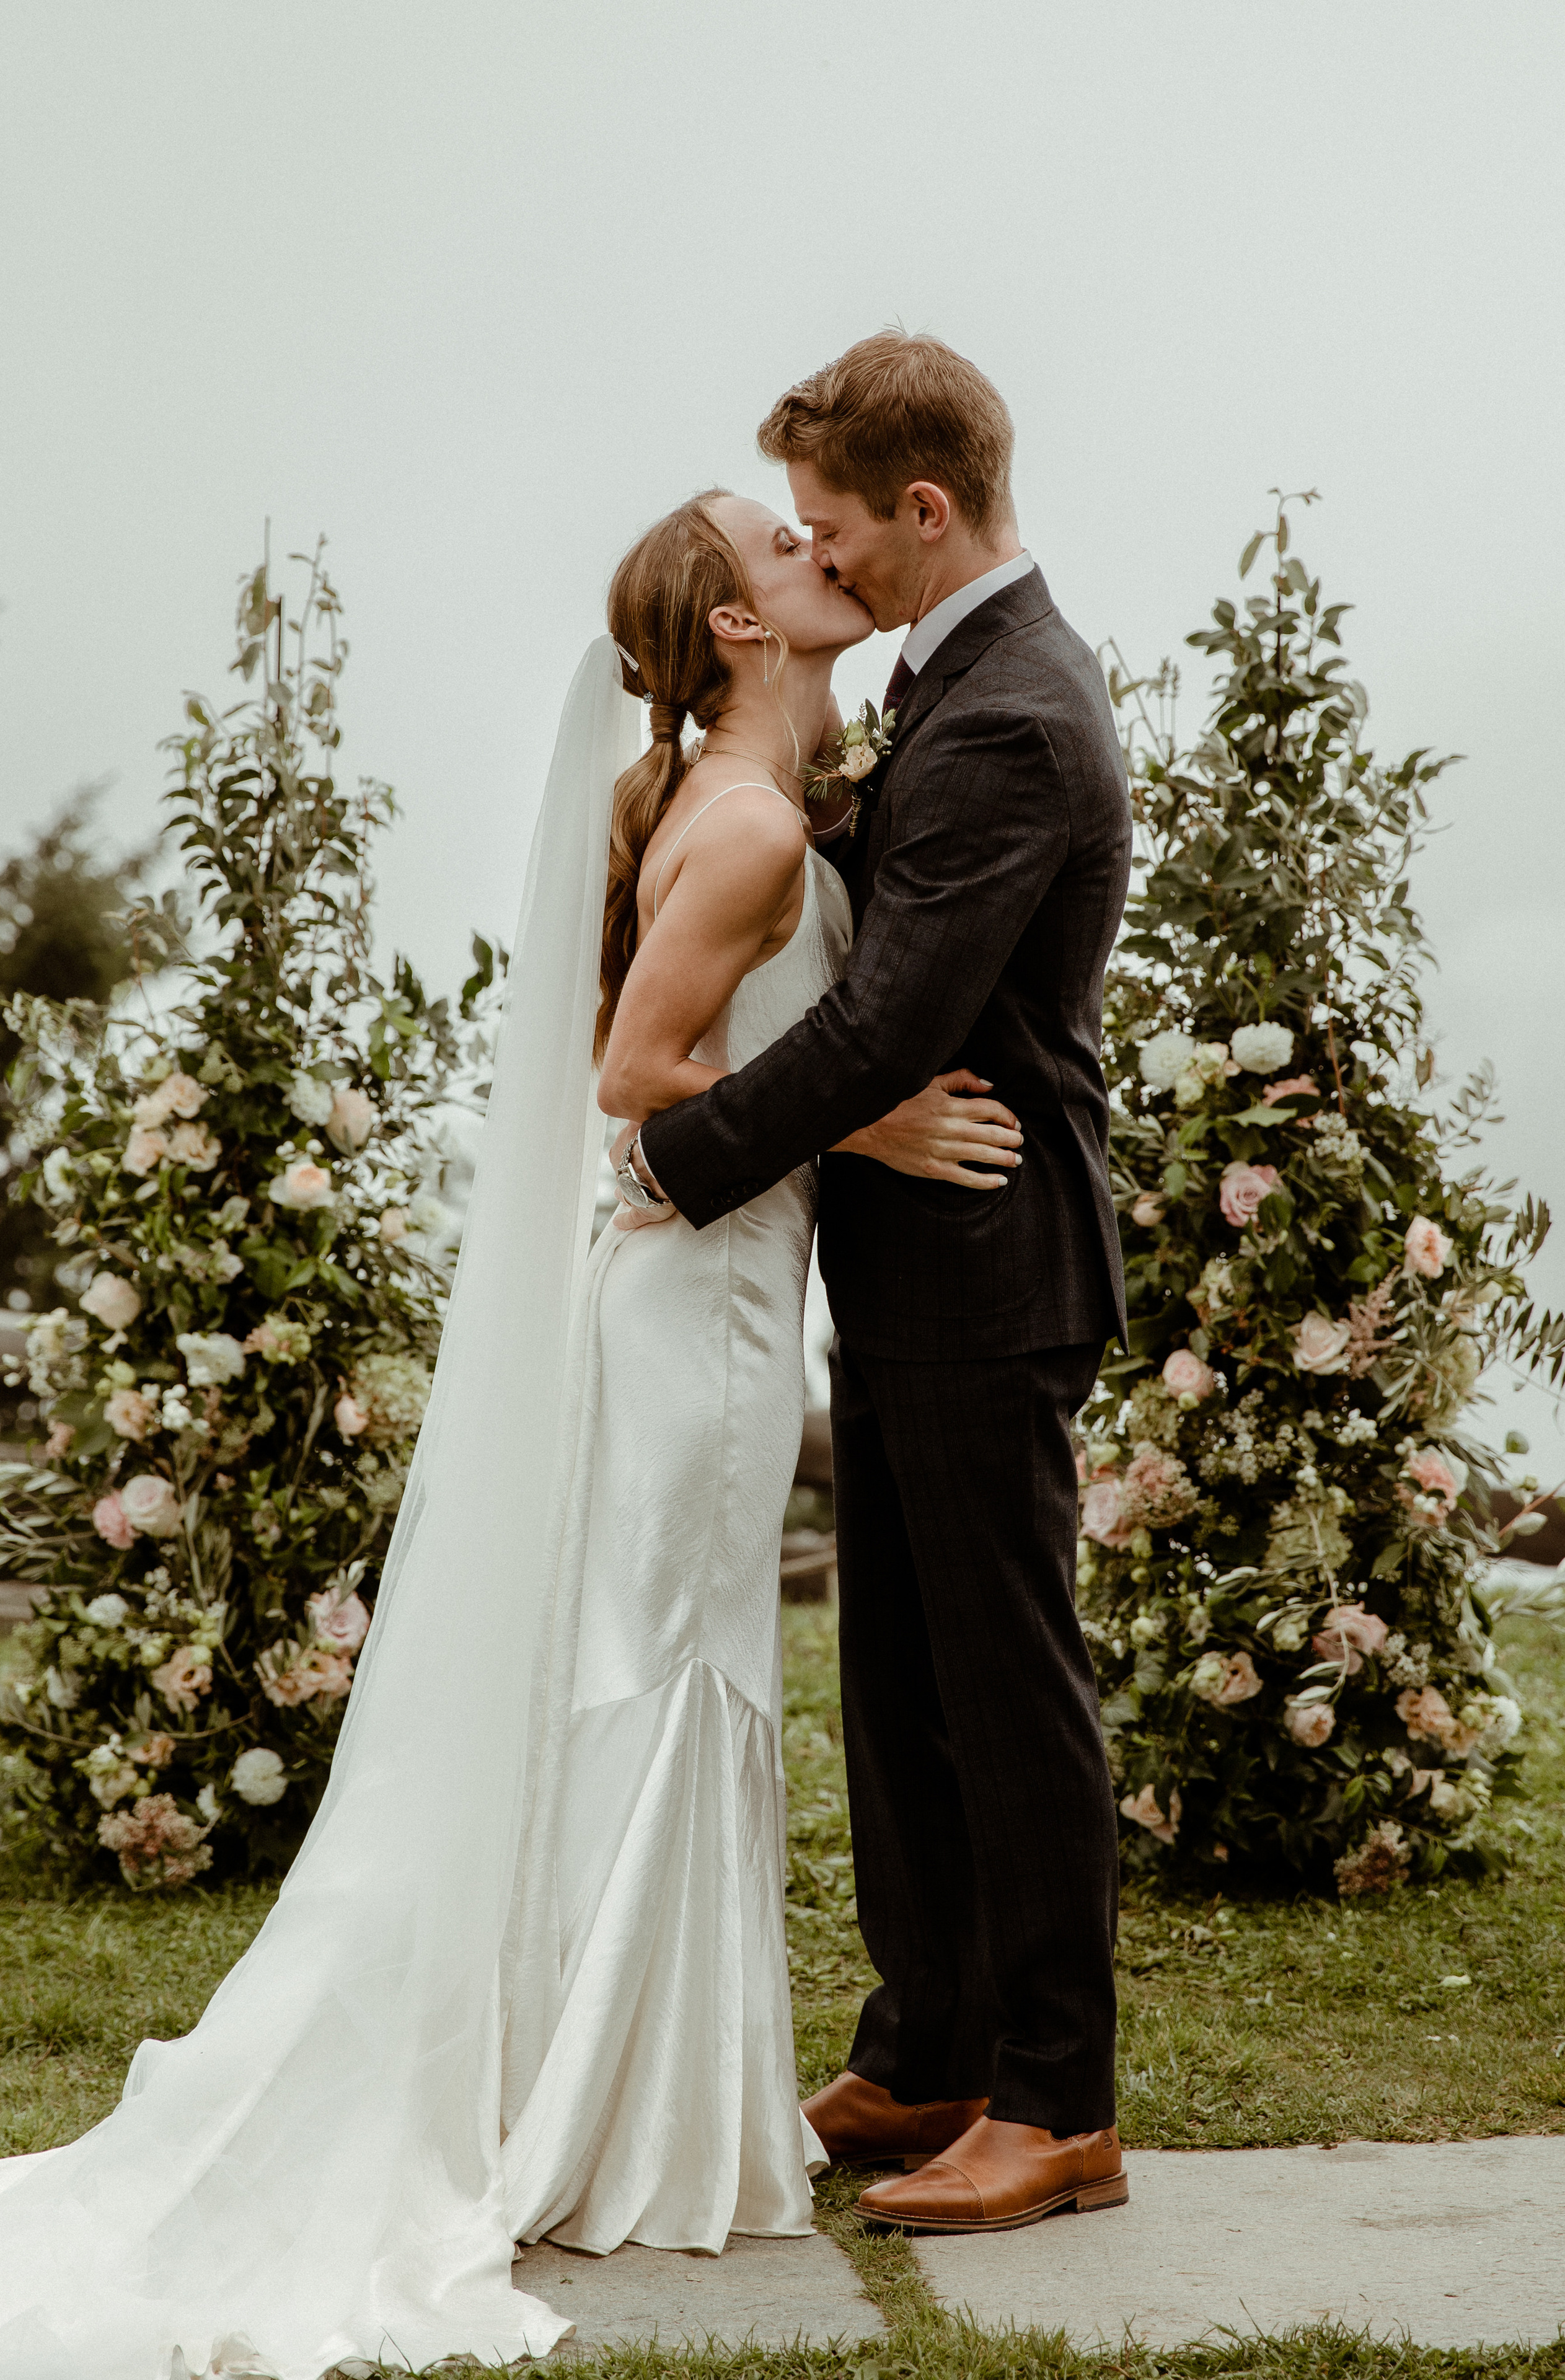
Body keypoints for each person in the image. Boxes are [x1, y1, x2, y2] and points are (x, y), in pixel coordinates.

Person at [0, 488, 1012, 2380]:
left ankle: (628, 2092)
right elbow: (635, 1077)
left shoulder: (744, 798)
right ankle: (624, 2119)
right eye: (778, 545)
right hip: (695, 1308)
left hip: (701, 1288)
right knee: (672, 1665)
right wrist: (871, 1122)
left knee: (662, 1658)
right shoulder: (753, 819)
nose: (816, 547)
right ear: (736, 630)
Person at [632, 332, 1135, 2236]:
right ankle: (928, 2046)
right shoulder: (961, 680)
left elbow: (895, 1015)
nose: (824, 561)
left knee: (1006, 1693)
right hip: (925, 1260)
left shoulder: (1012, 708)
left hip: (995, 1258)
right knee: (907, 1687)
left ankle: (1057, 2102)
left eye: (838, 529)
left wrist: (675, 1159)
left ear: (925, 514)